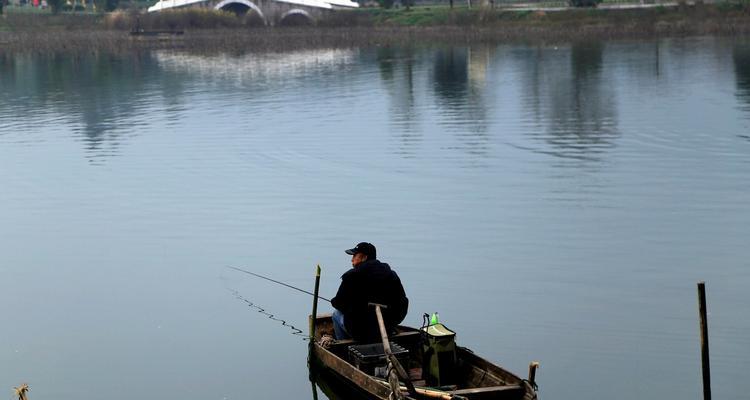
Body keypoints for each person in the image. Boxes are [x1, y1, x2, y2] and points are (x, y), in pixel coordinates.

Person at [331, 242, 408, 342]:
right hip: (386, 329)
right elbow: (403, 304)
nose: (352, 259)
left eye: (354, 255)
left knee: (336, 314)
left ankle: (344, 347)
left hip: (360, 332)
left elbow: (339, 303)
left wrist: (334, 301)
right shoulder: (391, 275)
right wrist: (392, 323)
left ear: (364, 258)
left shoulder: (351, 276)